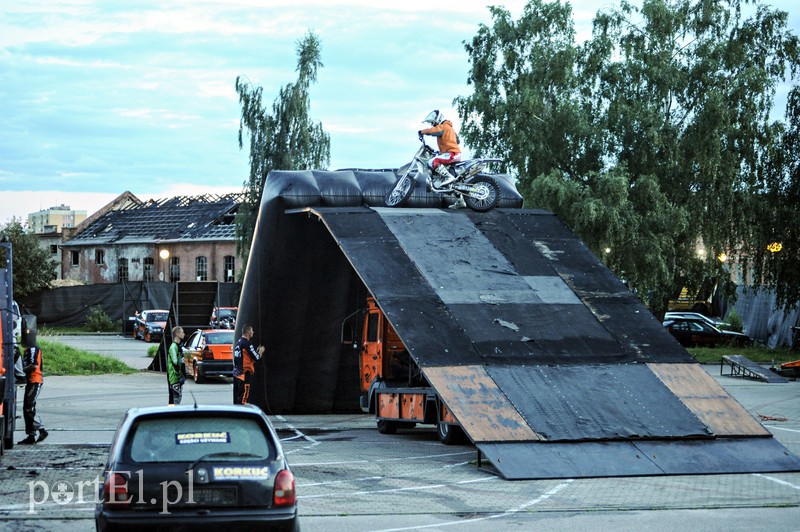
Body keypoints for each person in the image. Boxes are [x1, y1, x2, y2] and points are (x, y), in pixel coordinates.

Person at [418, 109, 466, 209]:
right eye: (432, 123)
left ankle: (448, 177)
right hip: (453, 153)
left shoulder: (444, 126)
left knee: (433, 161)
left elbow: (434, 131)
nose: (433, 124)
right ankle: (460, 201)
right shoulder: (450, 128)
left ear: (438, 118)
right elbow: (458, 140)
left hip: (452, 154)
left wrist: (422, 132)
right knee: (453, 183)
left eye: (433, 122)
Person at [19, 331, 48, 444]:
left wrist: (22, 371)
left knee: (29, 407)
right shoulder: (28, 349)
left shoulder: (32, 348)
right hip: (31, 380)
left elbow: (33, 365)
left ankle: (41, 430)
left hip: (35, 380)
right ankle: (31, 435)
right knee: (27, 407)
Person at [233, 324, 265, 405]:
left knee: (239, 394)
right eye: (252, 330)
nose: (253, 332)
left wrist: (256, 351)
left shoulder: (239, 342)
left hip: (237, 372)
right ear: (248, 331)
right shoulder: (247, 344)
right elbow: (256, 357)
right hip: (244, 372)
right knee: (244, 394)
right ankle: (242, 412)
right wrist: (260, 351)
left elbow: (247, 357)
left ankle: (237, 411)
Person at [167, 326, 186, 405]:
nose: (184, 334)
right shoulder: (173, 347)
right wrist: (179, 376)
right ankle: (171, 415)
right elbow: (175, 363)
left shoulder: (179, 347)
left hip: (179, 377)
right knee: (175, 400)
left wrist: (184, 375)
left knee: (178, 398)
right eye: (182, 332)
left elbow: (182, 362)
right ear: (177, 334)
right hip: (174, 378)